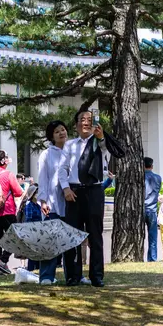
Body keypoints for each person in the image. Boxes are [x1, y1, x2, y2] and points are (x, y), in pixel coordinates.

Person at [58, 109, 125, 287]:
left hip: (95, 191)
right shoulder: (70, 145)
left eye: (89, 119)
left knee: (95, 235)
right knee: (73, 235)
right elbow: (62, 169)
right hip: (74, 192)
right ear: (76, 124)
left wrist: (101, 136)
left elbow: (106, 150)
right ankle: (73, 275)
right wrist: (65, 188)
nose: (85, 123)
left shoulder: (100, 143)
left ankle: (97, 276)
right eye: (82, 119)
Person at [38, 120, 69, 285]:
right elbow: (42, 179)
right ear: (52, 136)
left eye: (63, 130)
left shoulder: (73, 151)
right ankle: (46, 276)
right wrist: (43, 201)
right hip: (52, 202)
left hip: (71, 203)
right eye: (57, 132)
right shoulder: (46, 154)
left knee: (70, 241)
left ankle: (73, 274)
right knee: (50, 241)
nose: (62, 133)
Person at [0, 150, 23, 276]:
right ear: (5, 161)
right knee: (15, 236)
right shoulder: (9, 175)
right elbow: (18, 192)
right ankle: (3, 260)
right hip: (7, 210)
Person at [144, 157, 162, 262]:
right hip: (152, 209)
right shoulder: (158, 178)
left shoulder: (140, 177)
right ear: (152, 165)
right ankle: (152, 258)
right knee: (153, 237)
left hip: (142, 209)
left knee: (140, 236)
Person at [20, 184, 42, 271]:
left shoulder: (38, 206)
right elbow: (28, 220)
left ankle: (37, 269)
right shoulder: (29, 206)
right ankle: (30, 270)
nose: (38, 194)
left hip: (38, 232)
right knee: (32, 254)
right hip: (32, 232)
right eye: (36, 192)